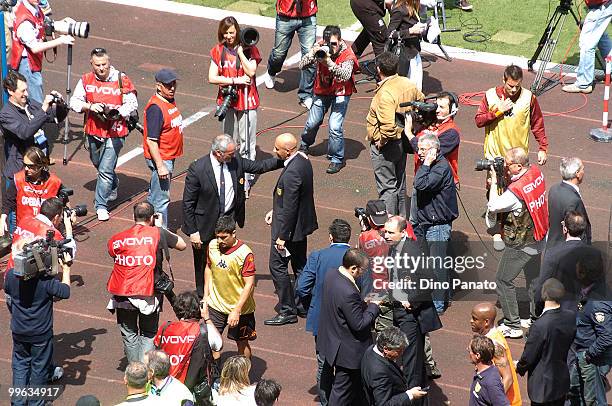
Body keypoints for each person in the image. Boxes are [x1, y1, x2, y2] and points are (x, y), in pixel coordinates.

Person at [182, 134, 283, 299]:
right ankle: (203, 295)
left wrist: (285, 159)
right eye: (230, 153)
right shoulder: (198, 168)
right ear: (218, 153)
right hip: (205, 224)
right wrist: (193, 231)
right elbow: (188, 203)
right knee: (202, 261)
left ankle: (223, 289)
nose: (234, 156)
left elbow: (260, 166)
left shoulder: (236, 162)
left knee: (226, 256)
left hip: (228, 220)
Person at [476, 64, 548, 250]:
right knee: (496, 190)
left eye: (517, 86)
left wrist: (543, 147)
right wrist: (497, 110)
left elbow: (537, 123)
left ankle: (517, 230)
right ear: (503, 80)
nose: (514, 90)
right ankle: (498, 232)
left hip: (518, 159)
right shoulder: (491, 96)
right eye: (510, 86)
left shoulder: (529, 98)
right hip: (496, 155)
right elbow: (479, 120)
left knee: (520, 195)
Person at [107, 202, 187, 364]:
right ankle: (144, 370)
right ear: (152, 218)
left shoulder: (117, 238)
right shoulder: (158, 233)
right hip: (149, 292)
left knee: (129, 334)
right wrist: (160, 227)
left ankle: (135, 371)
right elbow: (182, 245)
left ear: (134, 217)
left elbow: (112, 252)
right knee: (148, 333)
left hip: (123, 295)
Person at [69, 47, 138, 221]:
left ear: (109, 62)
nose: (101, 68)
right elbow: (74, 102)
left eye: (104, 64)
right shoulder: (85, 80)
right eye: (97, 65)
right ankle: (114, 183)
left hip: (116, 131)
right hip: (93, 129)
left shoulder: (122, 79)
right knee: (97, 163)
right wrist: (90, 106)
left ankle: (101, 205)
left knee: (105, 171)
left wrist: (117, 112)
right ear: (91, 64)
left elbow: (133, 103)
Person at [4, 230, 72, 405]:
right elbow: (65, 292)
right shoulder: (44, 281)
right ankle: (36, 403)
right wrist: (66, 270)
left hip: (18, 331)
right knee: (39, 369)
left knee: (19, 367)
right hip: (40, 334)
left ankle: (18, 402)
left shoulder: (10, 276)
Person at [487, 147, 549, 338]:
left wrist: (495, 182)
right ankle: (534, 318)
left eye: (507, 164)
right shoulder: (536, 173)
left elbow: (493, 206)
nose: (504, 166)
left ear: (518, 166)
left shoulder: (516, 191)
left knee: (503, 279)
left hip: (520, 242)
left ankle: (512, 324)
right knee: (533, 279)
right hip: (538, 236)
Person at [383, 216, 441, 403]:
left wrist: (411, 300)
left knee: (411, 363)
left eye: (391, 232)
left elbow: (430, 280)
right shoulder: (394, 248)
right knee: (411, 361)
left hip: (411, 314)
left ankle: (412, 400)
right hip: (399, 311)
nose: (386, 235)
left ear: (402, 232)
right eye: (385, 231)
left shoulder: (413, 252)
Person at [1, 70, 67, 232]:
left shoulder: (30, 103)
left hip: (38, 167)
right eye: (22, 91)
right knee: (20, 212)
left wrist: (60, 105)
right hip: (21, 170)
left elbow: (54, 116)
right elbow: (25, 132)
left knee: (39, 209)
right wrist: (43, 109)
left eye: (26, 89)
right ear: (11, 91)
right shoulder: (6, 114)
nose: (26, 93)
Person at [295, 218, 352, 406]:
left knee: (324, 364)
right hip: (349, 319)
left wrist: (313, 302)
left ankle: (325, 401)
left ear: (330, 237)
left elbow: (302, 287)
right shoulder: (356, 258)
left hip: (321, 319)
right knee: (347, 365)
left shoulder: (317, 256)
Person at [264, 133, 318, 326]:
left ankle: (287, 309)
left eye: (277, 148)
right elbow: (290, 199)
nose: (273, 151)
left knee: (277, 267)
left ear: (287, 151)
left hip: (288, 230)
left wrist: (282, 236)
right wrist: (275, 209)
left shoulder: (293, 171)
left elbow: (291, 205)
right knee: (299, 264)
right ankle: (303, 304)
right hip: (300, 227)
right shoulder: (303, 162)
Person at [316, 248, 381, 406]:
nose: (363, 273)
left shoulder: (332, 275)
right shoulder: (348, 292)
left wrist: (361, 303)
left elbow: (342, 308)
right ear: (353, 268)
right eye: (362, 270)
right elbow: (359, 324)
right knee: (342, 391)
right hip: (349, 352)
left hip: (334, 342)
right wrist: (374, 305)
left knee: (356, 388)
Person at [366, 52, 424, 218]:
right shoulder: (408, 83)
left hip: (387, 144)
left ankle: (389, 224)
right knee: (399, 182)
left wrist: (381, 142)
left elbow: (387, 127)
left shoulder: (385, 94)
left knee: (387, 186)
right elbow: (421, 101)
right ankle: (401, 220)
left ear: (378, 69)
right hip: (402, 140)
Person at [209, 17, 262, 191]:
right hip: (228, 100)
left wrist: (240, 52)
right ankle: (228, 170)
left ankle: (247, 176)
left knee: (247, 140)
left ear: (238, 31)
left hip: (247, 100)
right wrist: (235, 80)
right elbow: (212, 77)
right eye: (225, 32)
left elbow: (252, 71)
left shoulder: (249, 48)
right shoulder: (218, 50)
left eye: (232, 32)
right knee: (228, 139)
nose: (229, 36)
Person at [298, 25, 358, 174]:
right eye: (327, 43)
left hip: (341, 92)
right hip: (322, 90)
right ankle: (305, 144)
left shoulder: (347, 54)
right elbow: (302, 65)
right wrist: (312, 54)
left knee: (335, 126)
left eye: (333, 44)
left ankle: (337, 158)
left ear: (340, 41)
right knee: (312, 122)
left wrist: (329, 62)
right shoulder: (319, 47)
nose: (330, 47)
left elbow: (344, 75)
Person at [412, 133, 458, 315]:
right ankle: (442, 298)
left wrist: (425, 164)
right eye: (419, 149)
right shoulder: (435, 165)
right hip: (429, 221)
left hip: (437, 225)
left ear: (434, 150)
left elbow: (420, 184)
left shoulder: (439, 168)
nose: (419, 152)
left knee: (437, 267)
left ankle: (438, 305)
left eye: (423, 150)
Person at [202, 216, 257, 359]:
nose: (220, 241)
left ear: (233, 233)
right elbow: (209, 268)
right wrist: (206, 296)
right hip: (216, 305)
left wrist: (236, 310)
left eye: (224, 237)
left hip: (240, 309)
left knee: (242, 343)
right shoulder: (212, 245)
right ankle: (213, 377)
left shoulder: (245, 254)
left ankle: (243, 378)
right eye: (217, 237)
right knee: (211, 342)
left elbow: (249, 284)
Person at [516, 278, 577, 406]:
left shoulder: (540, 325)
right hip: (560, 381)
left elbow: (529, 356)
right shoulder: (570, 316)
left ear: (544, 295)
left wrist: (520, 367)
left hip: (542, 387)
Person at [567, 251, 612, 405]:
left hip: (592, 359)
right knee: (576, 393)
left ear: (583, 273)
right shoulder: (588, 290)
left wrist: (588, 355)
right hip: (581, 353)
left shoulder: (597, 302)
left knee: (594, 399)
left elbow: (606, 336)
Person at [154, 291, 223, 390]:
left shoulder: (165, 327)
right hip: (193, 387)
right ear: (198, 309)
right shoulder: (203, 330)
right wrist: (207, 318)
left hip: (165, 384)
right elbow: (218, 345)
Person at [9, 0, 74, 103]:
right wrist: (60, 41)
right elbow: (35, 48)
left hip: (32, 62)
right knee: (35, 102)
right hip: (27, 65)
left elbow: (43, 24)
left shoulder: (34, 9)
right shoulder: (24, 20)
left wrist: (63, 24)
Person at [143, 68, 183, 227]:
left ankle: (146, 225)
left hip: (168, 156)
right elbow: (151, 141)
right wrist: (160, 166)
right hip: (163, 158)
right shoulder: (156, 108)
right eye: (168, 85)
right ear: (158, 86)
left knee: (155, 197)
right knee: (161, 200)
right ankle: (161, 235)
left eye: (173, 84)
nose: (172, 87)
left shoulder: (169, 100)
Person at [535, 211, 594, 313]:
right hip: (582, 310)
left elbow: (542, 283)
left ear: (565, 229)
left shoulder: (553, 253)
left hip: (558, 309)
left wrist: (539, 308)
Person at [264, 0, 317, 108]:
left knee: (310, 56)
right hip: (285, 14)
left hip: (308, 15)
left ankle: (306, 95)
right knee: (279, 54)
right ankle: (271, 71)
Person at [1, 146, 65, 235]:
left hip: (47, 233)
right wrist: (3, 218)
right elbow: (8, 202)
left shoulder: (54, 182)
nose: (26, 169)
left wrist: (70, 216)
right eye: (25, 165)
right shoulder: (18, 180)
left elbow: (65, 202)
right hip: (24, 232)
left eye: (30, 166)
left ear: (41, 165)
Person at [469, 303, 522, 406]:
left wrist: (494, 401)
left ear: (486, 322)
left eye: (475, 319)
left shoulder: (495, 344)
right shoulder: (489, 338)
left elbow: (508, 378)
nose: (471, 321)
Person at [361, 326, 427, 406]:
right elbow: (384, 404)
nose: (401, 353)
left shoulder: (370, 350)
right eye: (399, 351)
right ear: (386, 349)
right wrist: (410, 395)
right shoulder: (380, 373)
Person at [561, 0, 612, 94]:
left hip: (601, 6)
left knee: (587, 43)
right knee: (601, 37)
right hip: (605, 4)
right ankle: (610, 71)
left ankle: (583, 83)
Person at [546, 157, 591, 247]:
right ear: (577, 174)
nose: (584, 172)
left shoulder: (554, 189)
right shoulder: (574, 201)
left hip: (553, 242)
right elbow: (576, 230)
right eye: (583, 169)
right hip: (566, 249)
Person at [386, 0, 428, 90]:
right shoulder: (399, 10)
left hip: (414, 51)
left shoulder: (414, 7)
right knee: (408, 88)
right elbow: (389, 34)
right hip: (405, 54)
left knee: (416, 87)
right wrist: (410, 31)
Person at [468, 335, 509, 406]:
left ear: (477, 356)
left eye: (470, 351)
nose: (468, 352)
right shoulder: (482, 371)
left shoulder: (491, 382)